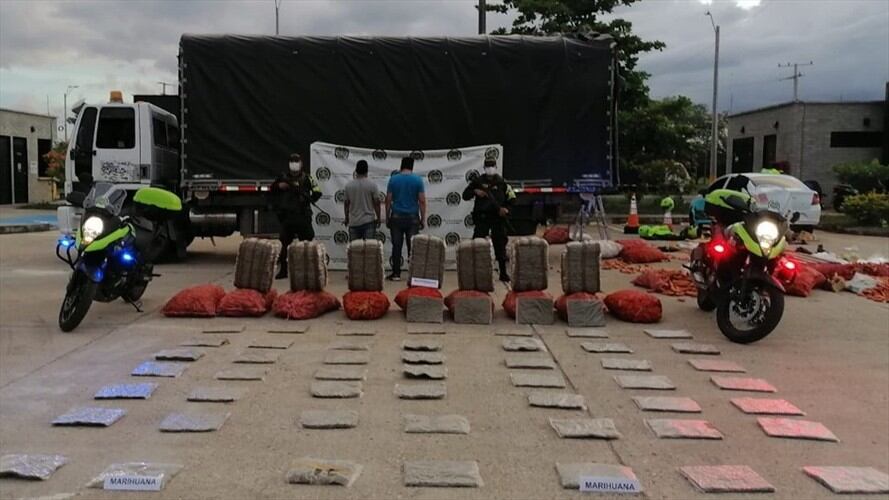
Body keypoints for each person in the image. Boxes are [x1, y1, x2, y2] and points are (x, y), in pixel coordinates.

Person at [462, 158, 516, 282]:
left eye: (492, 166)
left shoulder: (502, 182)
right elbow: (465, 195)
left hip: (497, 218)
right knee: (477, 245)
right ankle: (476, 272)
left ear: (495, 167)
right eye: (488, 166)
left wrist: (506, 209)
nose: (490, 169)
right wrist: (475, 191)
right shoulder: (478, 181)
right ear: (484, 168)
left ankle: (503, 272)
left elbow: (512, 198)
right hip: (482, 218)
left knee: (500, 245)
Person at [271, 153, 322, 279]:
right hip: (288, 217)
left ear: (301, 163)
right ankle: (283, 270)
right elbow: (272, 189)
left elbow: (317, 191)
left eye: (296, 161)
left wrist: (308, 199)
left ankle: (307, 270)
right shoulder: (283, 178)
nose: (294, 164)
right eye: (292, 161)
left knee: (307, 245)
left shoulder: (307, 178)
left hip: (302, 216)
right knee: (284, 244)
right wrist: (279, 186)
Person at [385, 157, 426, 281]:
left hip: (396, 217)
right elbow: (422, 201)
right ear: (412, 166)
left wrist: (387, 217)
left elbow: (388, 200)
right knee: (412, 247)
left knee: (396, 246)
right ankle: (413, 275)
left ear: (401, 166)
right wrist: (423, 218)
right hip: (412, 218)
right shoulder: (418, 180)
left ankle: (396, 274)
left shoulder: (393, 179)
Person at [344, 160, 381, 241]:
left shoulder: (348, 186)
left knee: (355, 248)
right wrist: (379, 218)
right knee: (369, 248)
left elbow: (346, 204)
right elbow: (377, 204)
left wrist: (346, 218)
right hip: (368, 221)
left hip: (354, 222)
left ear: (356, 170)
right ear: (367, 170)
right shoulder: (372, 185)